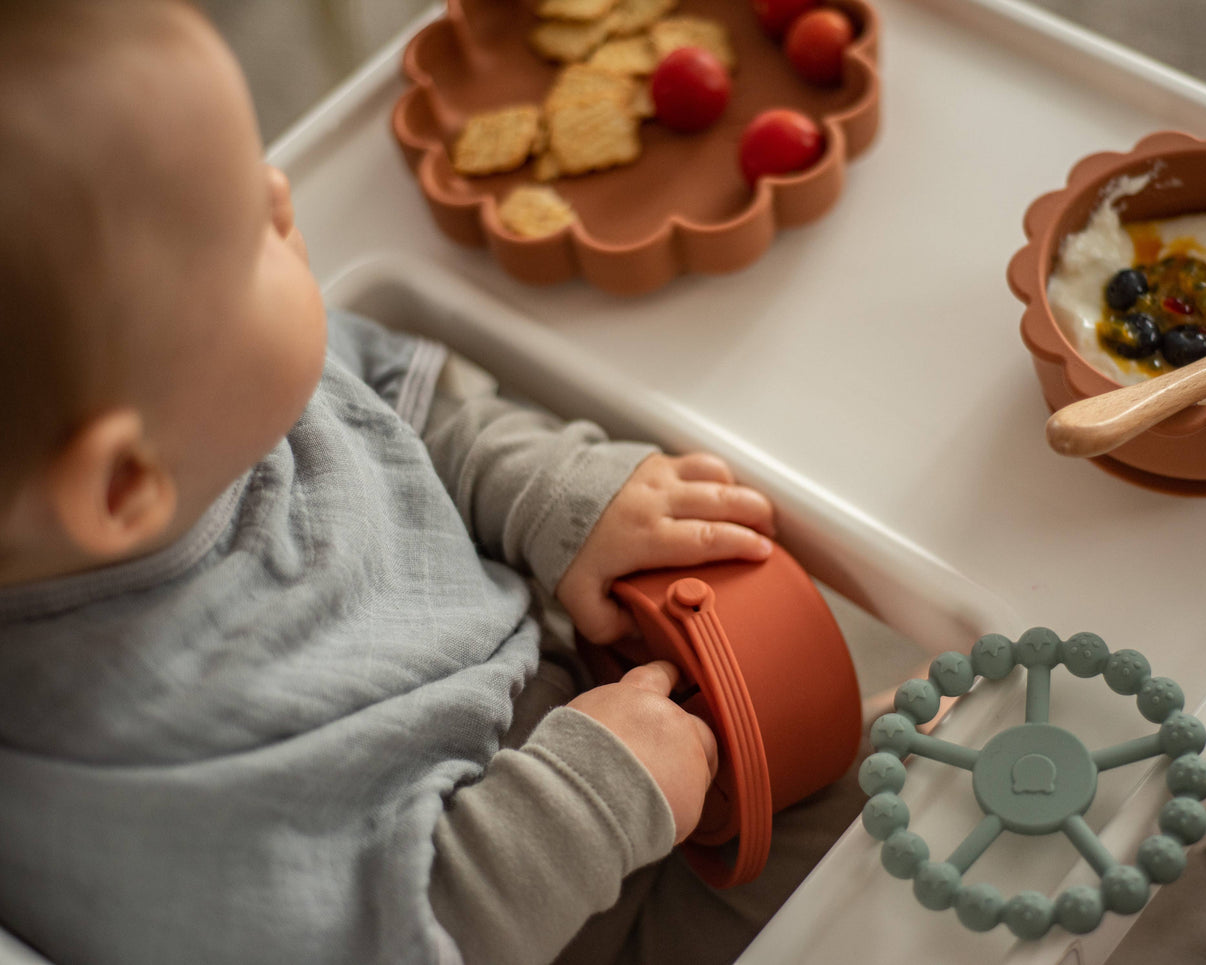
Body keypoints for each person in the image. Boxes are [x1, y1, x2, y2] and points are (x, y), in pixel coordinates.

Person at [0, 2, 863, 963]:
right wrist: (586, 802)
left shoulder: (201, 397)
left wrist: (551, 494)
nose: (284, 195)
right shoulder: (135, 798)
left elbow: (405, 400)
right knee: (911, 860)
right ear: (123, 484)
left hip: (602, 702)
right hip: (582, 920)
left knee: (906, 761)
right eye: (248, 232)